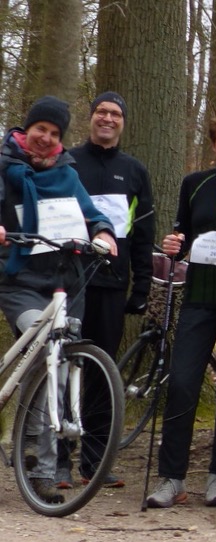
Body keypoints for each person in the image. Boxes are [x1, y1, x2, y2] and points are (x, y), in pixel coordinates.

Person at [0, 96, 118, 503]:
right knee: (39, 338)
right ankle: (28, 435)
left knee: (62, 370)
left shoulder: (67, 172)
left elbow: (91, 213)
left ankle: (44, 471)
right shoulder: (4, 167)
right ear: (26, 129)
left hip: (67, 282)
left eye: (53, 133)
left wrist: (103, 233)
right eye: (40, 130)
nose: (45, 138)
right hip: (20, 281)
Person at [145, 112, 216, 509]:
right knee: (181, 383)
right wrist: (173, 243)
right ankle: (171, 478)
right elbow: (180, 233)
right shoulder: (194, 184)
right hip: (198, 297)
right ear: (214, 143)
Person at [66, 91, 155, 488]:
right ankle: (54, 461)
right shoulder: (69, 162)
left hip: (112, 286)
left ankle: (95, 461)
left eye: (115, 113)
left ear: (123, 122)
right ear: (91, 118)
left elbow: (143, 235)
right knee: (64, 368)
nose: (107, 118)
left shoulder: (134, 171)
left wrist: (142, 285)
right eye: (101, 111)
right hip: (68, 282)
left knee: (102, 372)